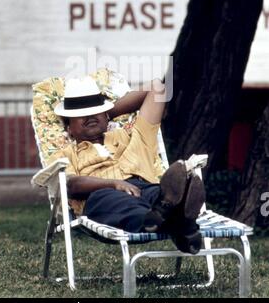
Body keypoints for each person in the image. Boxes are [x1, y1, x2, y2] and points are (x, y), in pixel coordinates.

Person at [54, 75, 206, 254]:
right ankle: (180, 226)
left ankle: (169, 214)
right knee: (124, 204)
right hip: (101, 197)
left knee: (161, 193)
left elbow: (157, 88)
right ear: (69, 128)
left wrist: (106, 114)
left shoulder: (133, 137)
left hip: (145, 189)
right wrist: (113, 184)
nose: (89, 115)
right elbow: (70, 185)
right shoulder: (65, 154)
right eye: (81, 115)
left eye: (95, 110)